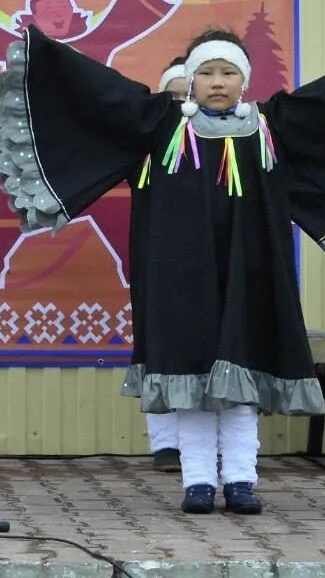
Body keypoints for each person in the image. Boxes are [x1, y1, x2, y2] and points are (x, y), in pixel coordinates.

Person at [0, 25, 325, 513]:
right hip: (181, 276)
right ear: (190, 79)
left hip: (251, 271)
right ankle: (197, 481)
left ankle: (241, 480)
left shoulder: (270, 126)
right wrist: (47, 60)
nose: (217, 82)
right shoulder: (162, 125)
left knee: (241, 383)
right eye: (206, 72)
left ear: (244, 81)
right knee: (191, 379)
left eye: (228, 73)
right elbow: (99, 97)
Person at [144, 56, 188, 472]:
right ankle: (165, 444)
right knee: (162, 340)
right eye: (173, 97)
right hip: (160, 255)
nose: (182, 105)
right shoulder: (150, 140)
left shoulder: (230, 141)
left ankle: (221, 446)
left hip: (209, 259)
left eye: (187, 96)